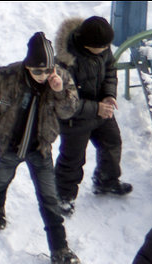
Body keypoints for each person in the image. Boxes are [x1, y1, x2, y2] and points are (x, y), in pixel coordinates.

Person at [0, 32, 81, 264]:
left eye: (47, 71)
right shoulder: (7, 75)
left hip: (40, 148)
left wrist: (58, 91)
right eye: (38, 71)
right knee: (2, 177)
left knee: (49, 199)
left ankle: (59, 249)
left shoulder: (62, 79)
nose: (43, 76)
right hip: (10, 145)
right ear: (27, 66)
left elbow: (69, 111)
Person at [54, 15, 132, 216]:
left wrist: (108, 95)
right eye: (102, 47)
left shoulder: (103, 48)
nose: (107, 49)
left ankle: (106, 181)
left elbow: (110, 71)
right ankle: (63, 197)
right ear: (87, 44)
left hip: (101, 111)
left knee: (112, 143)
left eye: (108, 46)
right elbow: (64, 103)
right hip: (75, 118)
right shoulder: (65, 63)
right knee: (72, 159)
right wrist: (95, 108)